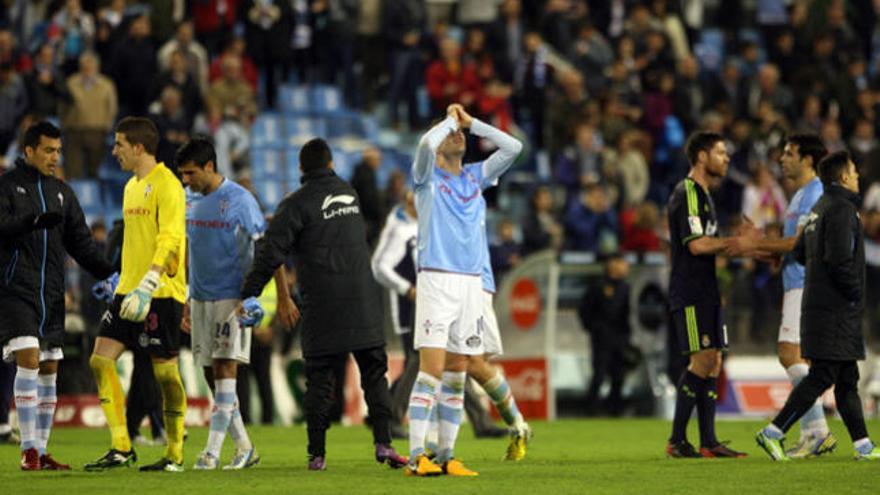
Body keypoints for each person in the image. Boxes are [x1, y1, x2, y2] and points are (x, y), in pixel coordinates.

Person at [240, 138, 407, 471]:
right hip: (363, 298)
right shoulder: (349, 193)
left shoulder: (295, 203)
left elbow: (271, 253)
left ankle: (317, 455)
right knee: (374, 373)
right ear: (330, 164)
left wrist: (249, 292)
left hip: (323, 303)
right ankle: (384, 443)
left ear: (301, 169)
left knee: (319, 379)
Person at [406, 103, 522, 477]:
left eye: (460, 134)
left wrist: (473, 124)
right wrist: (449, 121)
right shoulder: (426, 176)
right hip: (437, 278)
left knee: (457, 370)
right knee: (432, 370)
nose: (459, 135)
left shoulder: (475, 176)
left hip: (472, 283)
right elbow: (425, 144)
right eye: (452, 134)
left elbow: (513, 148)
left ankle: (446, 455)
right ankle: (415, 456)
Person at [0, 121, 115, 470]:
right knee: (30, 358)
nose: (55, 157)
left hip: (51, 291)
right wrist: (31, 222)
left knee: (49, 366)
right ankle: (29, 450)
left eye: (58, 151)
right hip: (14, 288)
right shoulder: (6, 186)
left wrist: (110, 272)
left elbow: (81, 243)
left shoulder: (63, 193)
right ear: (29, 150)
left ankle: (43, 450)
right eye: (49, 150)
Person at [177, 137, 297, 469]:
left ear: (209, 167)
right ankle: (244, 447)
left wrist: (281, 298)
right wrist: (186, 295)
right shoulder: (189, 199)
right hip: (200, 297)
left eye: (190, 173)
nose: (185, 181)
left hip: (232, 298)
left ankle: (212, 452)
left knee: (225, 369)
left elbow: (269, 252)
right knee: (209, 371)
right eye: (182, 175)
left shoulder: (241, 201)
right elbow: (192, 250)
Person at [756, 150, 880, 461]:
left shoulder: (818, 209)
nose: (857, 176)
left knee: (847, 379)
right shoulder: (841, 210)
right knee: (823, 376)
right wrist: (853, 293)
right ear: (842, 177)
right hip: (835, 309)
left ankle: (863, 445)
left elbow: (799, 253)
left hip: (821, 306)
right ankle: (773, 432)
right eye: (853, 171)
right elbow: (838, 261)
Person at [84, 117, 188, 472]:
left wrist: (148, 283)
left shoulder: (169, 185)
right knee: (99, 360)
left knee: (166, 376)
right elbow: (135, 242)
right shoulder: (131, 187)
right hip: (128, 291)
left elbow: (171, 239)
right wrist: (120, 279)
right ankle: (121, 446)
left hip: (160, 292)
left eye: (119, 145)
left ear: (139, 147)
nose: (114, 152)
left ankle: (174, 453)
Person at [734, 134, 836, 457]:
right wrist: (763, 247)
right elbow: (791, 248)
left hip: (806, 283)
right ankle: (813, 432)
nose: (782, 159)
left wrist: (757, 245)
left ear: (808, 159)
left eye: (789, 154)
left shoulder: (815, 193)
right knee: (798, 357)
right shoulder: (798, 196)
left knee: (789, 354)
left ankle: (817, 430)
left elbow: (795, 244)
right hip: (796, 282)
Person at [665, 131, 754, 459]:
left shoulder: (705, 196)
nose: (726, 158)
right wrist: (735, 243)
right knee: (701, 359)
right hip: (690, 291)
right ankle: (676, 440)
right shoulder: (687, 192)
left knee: (714, 361)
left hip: (708, 291)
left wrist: (743, 246)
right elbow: (698, 245)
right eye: (720, 152)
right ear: (702, 157)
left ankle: (709, 441)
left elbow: (712, 246)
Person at [578, 253, 632, 417]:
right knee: (599, 373)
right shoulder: (598, 285)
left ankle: (614, 408)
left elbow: (627, 313)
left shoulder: (625, 287)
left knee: (618, 374)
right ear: (612, 264)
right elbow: (584, 310)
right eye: (622, 262)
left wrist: (627, 335)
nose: (626, 266)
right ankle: (591, 409)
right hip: (601, 337)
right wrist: (594, 329)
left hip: (620, 337)